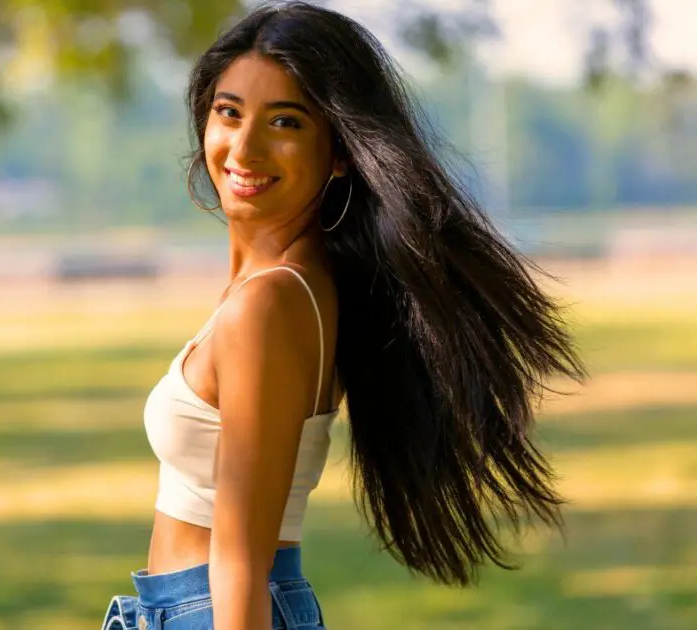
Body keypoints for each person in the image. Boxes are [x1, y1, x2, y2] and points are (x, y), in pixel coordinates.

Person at [101, 2, 586, 628]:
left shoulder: (270, 304)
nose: (244, 147)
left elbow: (241, 560)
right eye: (230, 112)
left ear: (340, 152)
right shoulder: (300, 285)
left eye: (285, 122)